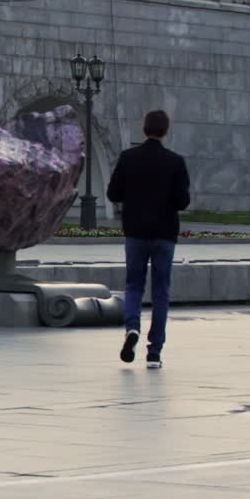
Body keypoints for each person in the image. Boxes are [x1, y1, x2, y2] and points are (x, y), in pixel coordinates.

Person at [105, 110, 191, 369]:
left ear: (144, 129)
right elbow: (182, 201)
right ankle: (154, 352)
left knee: (134, 285)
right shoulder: (175, 162)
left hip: (135, 232)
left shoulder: (128, 158)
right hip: (164, 234)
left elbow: (112, 193)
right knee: (161, 292)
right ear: (166, 130)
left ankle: (132, 328)